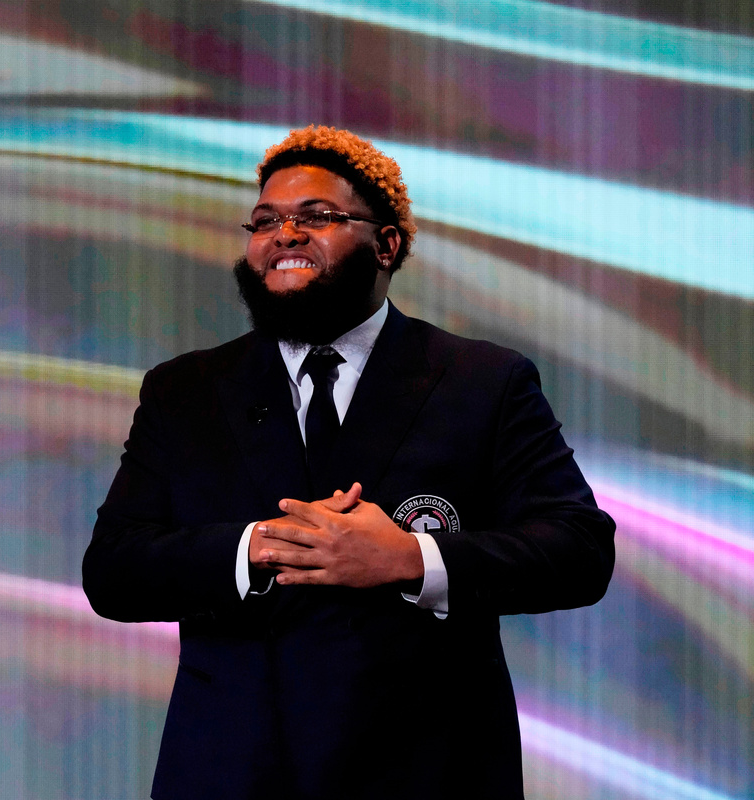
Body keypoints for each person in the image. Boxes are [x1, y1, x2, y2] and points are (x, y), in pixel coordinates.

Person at [83, 126, 615, 800]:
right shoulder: (184, 390)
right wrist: (260, 548)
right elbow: (114, 570)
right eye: (266, 220)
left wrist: (408, 559)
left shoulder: (484, 381)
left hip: (429, 774)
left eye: (317, 217)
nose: (285, 235)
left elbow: (579, 551)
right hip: (234, 771)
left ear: (386, 244)